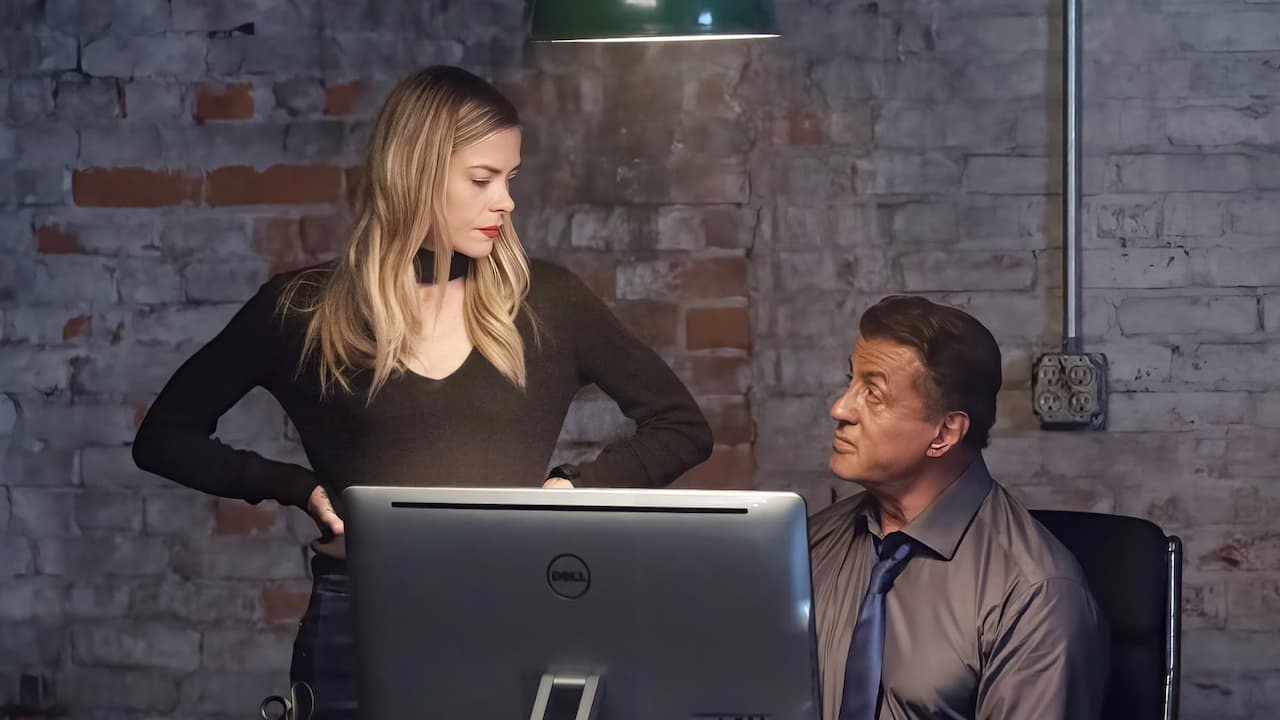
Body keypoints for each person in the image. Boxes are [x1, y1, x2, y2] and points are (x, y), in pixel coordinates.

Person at [132, 65, 712, 719]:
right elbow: (163, 439)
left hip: (517, 612)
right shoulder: (302, 310)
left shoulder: (549, 301)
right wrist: (297, 488)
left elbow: (682, 426)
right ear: (417, 174)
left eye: (510, 178)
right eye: (482, 180)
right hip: (359, 624)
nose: (505, 202)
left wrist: (573, 489)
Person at [808, 295, 1108, 720]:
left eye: (872, 393)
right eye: (850, 382)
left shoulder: (1036, 595)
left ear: (944, 433)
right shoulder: (808, 545)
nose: (839, 408)